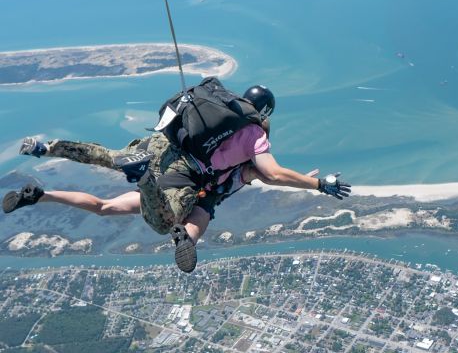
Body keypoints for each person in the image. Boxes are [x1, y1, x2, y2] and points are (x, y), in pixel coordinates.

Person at [6, 85, 351, 273]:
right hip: (181, 178)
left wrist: (303, 180)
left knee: (106, 189)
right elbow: (273, 175)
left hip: (159, 146)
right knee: (175, 221)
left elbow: (275, 177)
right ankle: (160, 202)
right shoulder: (252, 140)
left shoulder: (219, 112)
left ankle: (43, 168)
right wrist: (318, 185)